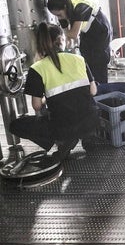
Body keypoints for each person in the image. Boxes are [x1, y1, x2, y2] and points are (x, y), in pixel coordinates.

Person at [9, 22, 98, 161]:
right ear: (61, 40)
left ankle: (63, 141)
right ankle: (88, 136)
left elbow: (37, 106)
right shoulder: (78, 58)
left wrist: (47, 98)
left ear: (39, 45)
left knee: (15, 125)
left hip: (64, 127)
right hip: (91, 120)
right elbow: (93, 91)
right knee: (82, 108)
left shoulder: (37, 68)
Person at [47, 0, 113, 84]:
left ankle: (102, 88)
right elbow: (68, 39)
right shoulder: (63, 14)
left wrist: (56, 36)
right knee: (85, 58)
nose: (59, 18)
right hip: (86, 32)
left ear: (65, 7)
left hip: (100, 30)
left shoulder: (80, 7)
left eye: (59, 15)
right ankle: (92, 86)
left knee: (98, 61)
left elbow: (73, 34)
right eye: (56, 16)